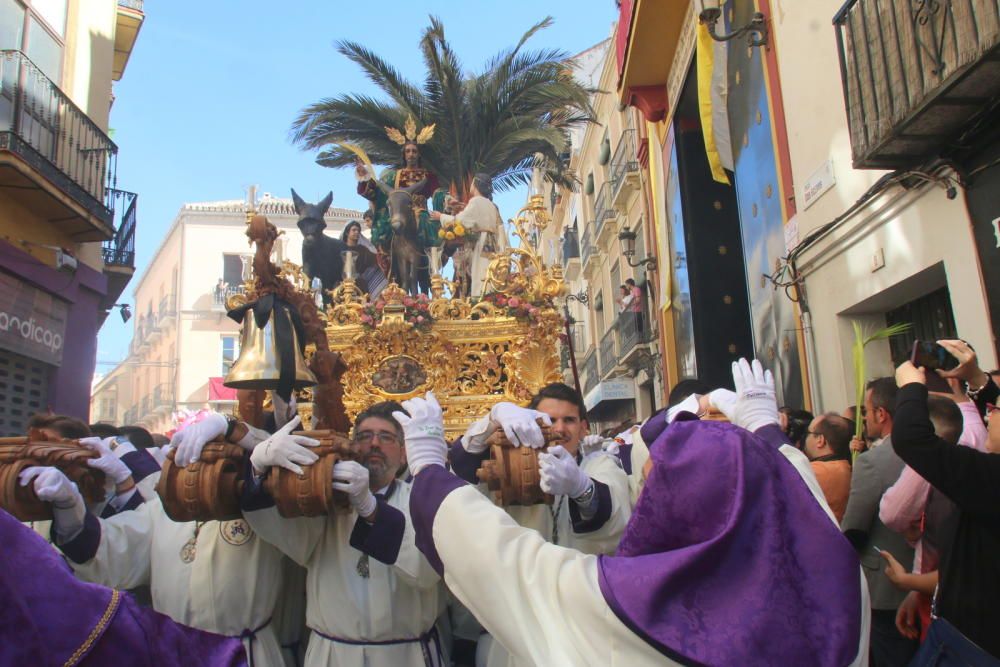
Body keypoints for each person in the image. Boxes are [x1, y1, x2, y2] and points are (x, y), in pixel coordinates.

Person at [396, 360, 869, 666]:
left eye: (658, 483)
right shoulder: (836, 590)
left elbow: (499, 555)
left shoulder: (625, 606)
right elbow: (801, 499)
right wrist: (763, 430)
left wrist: (427, 465)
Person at [23, 410, 300, 667]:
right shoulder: (161, 511)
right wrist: (69, 507)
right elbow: (109, 550)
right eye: (196, 457)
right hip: (174, 652)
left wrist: (229, 425)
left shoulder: (259, 508)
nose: (201, 468)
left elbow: (277, 458)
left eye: (217, 457)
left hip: (246, 654)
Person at [242, 401, 445, 667]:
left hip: (406, 656)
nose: (374, 444)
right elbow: (279, 530)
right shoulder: (325, 504)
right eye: (363, 436)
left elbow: (425, 572)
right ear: (352, 448)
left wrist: (371, 509)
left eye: (386, 437)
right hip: (335, 655)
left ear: (405, 454)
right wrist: (257, 470)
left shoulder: (422, 502)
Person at [448, 382, 631, 666]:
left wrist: (581, 489)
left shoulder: (598, 467)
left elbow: (617, 521)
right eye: (549, 420)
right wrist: (491, 419)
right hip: (516, 630)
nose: (559, 429)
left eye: (568, 420)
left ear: (584, 427)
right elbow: (460, 477)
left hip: (582, 627)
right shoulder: (508, 466)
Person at [0, 509, 246, 666]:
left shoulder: (248, 503)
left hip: (251, 648)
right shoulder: (160, 510)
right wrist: (73, 522)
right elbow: (116, 553)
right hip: (184, 644)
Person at [891, 360, 1000, 663]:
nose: (989, 414)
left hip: (968, 646)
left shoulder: (991, 478)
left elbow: (912, 439)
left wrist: (911, 387)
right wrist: (977, 379)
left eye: (996, 410)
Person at [840, 377, 917, 666]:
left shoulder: (873, 462)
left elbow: (855, 527)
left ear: (881, 414)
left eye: (867, 411)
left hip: (886, 585)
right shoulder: (937, 446)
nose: (864, 419)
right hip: (930, 577)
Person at [430, 173, 508, 298]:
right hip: (492, 244)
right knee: (489, 271)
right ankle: (491, 296)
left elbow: (461, 221)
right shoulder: (491, 204)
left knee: (480, 272)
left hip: (481, 242)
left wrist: (441, 217)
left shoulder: (476, 201)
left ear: (476, 185)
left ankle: (480, 298)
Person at [803, 412, 854, 522]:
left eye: (808, 433)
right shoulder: (846, 468)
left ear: (820, 440)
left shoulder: (814, 472)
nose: (805, 438)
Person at [340, 219, 386, 298]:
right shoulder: (340, 249)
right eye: (354, 230)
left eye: (358, 230)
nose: (357, 232)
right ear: (347, 232)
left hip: (360, 286)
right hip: (343, 285)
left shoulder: (363, 249)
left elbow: (376, 260)